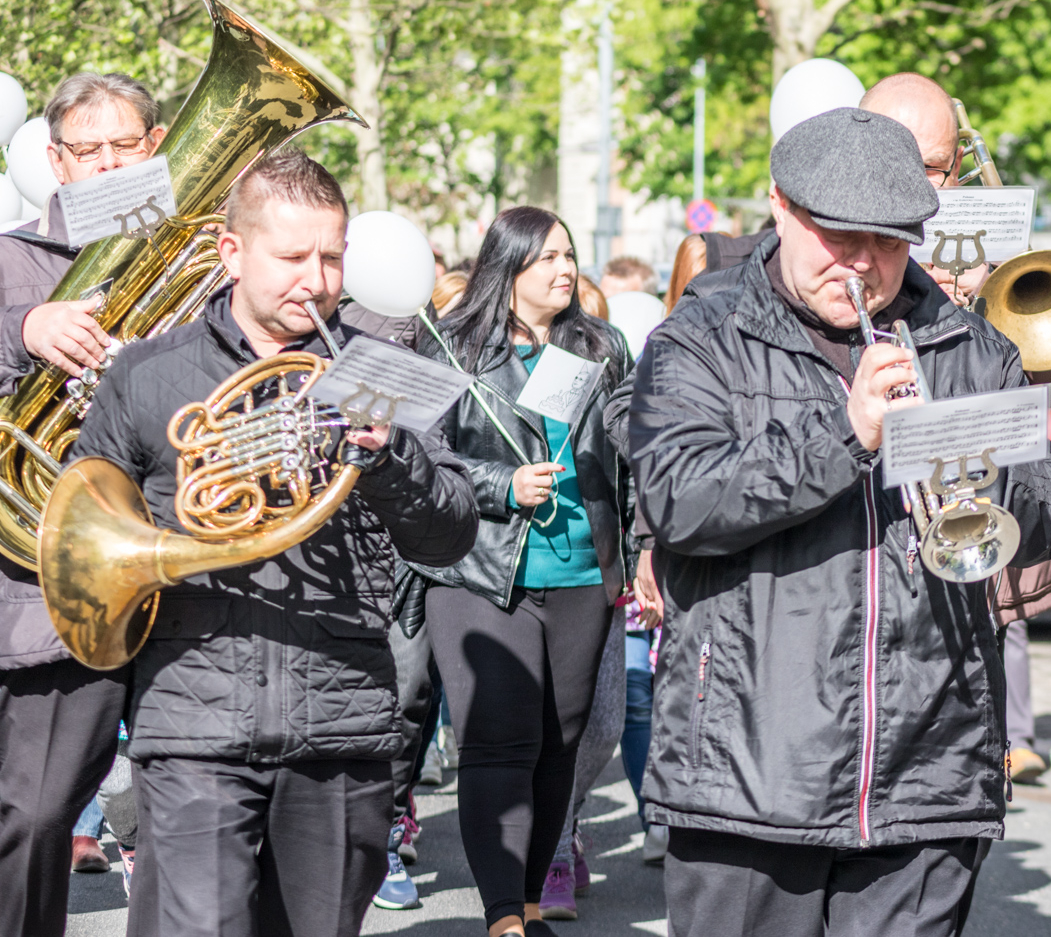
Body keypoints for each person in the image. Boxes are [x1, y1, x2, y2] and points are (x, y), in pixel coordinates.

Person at [629, 106, 1051, 937]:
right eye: (840, 237)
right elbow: (677, 500)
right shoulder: (700, 338)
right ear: (779, 205)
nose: (864, 265)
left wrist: (996, 483)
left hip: (930, 776)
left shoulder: (971, 346)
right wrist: (850, 432)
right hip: (750, 777)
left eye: (891, 239)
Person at [71, 146, 477, 937]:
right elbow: (89, 529)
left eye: (332, 256)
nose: (317, 280)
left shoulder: (375, 370)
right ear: (232, 251)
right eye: (292, 257)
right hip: (193, 717)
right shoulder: (153, 373)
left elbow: (452, 530)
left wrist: (386, 455)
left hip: (343, 720)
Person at [860, 71, 1051, 782]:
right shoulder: (848, 248)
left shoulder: (987, 234)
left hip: (981, 522)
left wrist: (1002, 284)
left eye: (937, 167)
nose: (924, 186)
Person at [405, 206, 638, 937]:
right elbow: (421, 457)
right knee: (498, 737)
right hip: (479, 571)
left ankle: (532, 901)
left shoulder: (602, 345)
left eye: (569, 255)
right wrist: (500, 486)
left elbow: (629, 460)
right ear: (506, 269)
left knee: (557, 742)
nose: (565, 269)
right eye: (546, 258)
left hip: (580, 574)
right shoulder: (456, 348)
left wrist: (645, 550)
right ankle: (504, 913)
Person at [0, 71, 167, 937]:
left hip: (166, 569)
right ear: (57, 163)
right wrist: (24, 331)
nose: (108, 166)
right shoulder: (10, 259)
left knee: (186, 822)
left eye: (126, 146)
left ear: (158, 150)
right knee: (30, 818)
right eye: (88, 150)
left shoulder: (204, 259)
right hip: (46, 585)